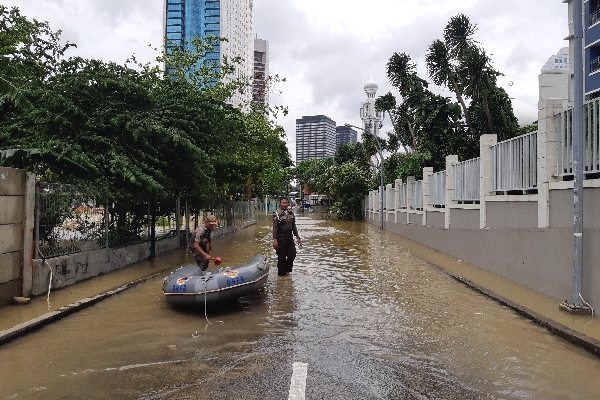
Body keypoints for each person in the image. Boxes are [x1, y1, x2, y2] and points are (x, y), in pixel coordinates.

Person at [272, 197, 302, 276]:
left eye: (286, 203)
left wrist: (297, 236)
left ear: (288, 204)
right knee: (281, 257)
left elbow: (293, 225)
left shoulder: (290, 212)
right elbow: (275, 227)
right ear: (280, 203)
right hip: (280, 238)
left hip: (290, 237)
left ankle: (287, 271)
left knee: (292, 254)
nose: (285, 204)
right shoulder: (276, 214)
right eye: (283, 203)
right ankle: (281, 277)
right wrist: (275, 240)